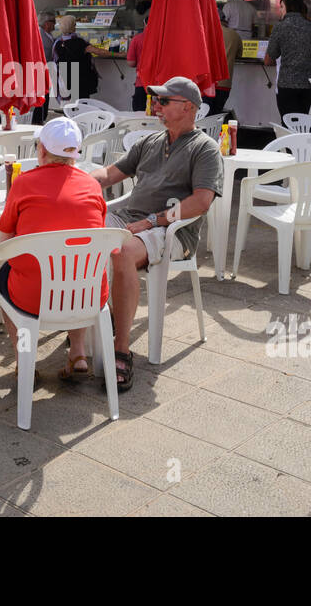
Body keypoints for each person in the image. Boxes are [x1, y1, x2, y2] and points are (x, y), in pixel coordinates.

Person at [88, 77, 223, 391]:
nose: (157, 106)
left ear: (188, 107)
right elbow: (110, 174)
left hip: (173, 230)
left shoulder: (205, 149)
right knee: (81, 234)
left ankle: (121, 348)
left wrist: (153, 221)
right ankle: (92, 318)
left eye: (165, 101)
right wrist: (72, 180)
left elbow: (201, 202)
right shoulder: (150, 142)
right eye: (157, 101)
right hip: (130, 218)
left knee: (122, 251)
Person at [0, 118, 108, 382]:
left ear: (42, 150)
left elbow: (4, 243)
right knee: (79, 269)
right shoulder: (92, 186)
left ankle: (25, 359)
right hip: (86, 295)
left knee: (2, 279)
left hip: (33, 296)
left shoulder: (22, 183)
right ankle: (78, 354)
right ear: (75, 153)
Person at [264, 0, 311, 119]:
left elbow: (269, 59)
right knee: (305, 125)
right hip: (307, 86)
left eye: (281, 7)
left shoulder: (279, 27)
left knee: (288, 125)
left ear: (289, 8)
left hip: (286, 85)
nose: (280, 11)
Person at [52, 15, 113, 102]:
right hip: (81, 80)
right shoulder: (80, 42)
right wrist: (119, 54)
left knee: (70, 106)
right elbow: (100, 52)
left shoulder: (57, 43)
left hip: (66, 80)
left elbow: (55, 61)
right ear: (73, 27)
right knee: (82, 105)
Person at [209, 22, 242, 117]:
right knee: (216, 115)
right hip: (224, 83)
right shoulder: (234, 35)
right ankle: (214, 131)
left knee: (203, 115)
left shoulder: (205, 32)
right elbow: (240, 55)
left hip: (206, 83)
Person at [32, 12, 57, 125]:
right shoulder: (39, 35)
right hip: (40, 69)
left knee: (46, 94)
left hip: (47, 70)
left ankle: (42, 117)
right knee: (41, 95)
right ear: (47, 23)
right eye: (53, 22)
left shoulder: (48, 35)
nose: (55, 25)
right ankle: (38, 119)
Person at [125, 13, 150, 112]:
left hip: (142, 82)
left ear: (144, 24)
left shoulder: (137, 39)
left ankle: (74, 111)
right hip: (161, 84)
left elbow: (131, 62)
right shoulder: (164, 38)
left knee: (140, 114)